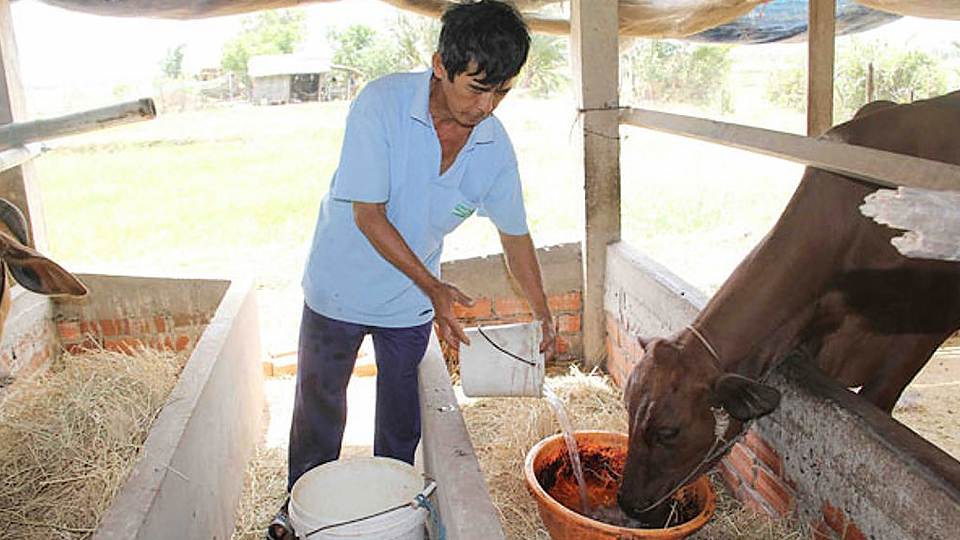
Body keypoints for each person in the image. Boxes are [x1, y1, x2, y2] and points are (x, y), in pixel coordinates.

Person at [267, 1, 557, 538]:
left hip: (410, 302)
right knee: (319, 407)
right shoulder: (381, 105)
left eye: (503, 91)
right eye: (477, 88)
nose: (487, 106)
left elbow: (515, 237)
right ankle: (299, 509)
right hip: (340, 285)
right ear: (440, 65)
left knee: (402, 418)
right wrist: (434, 286)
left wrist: (543, 311)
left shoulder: (494, 146)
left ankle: (394, 518)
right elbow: (368, 215)